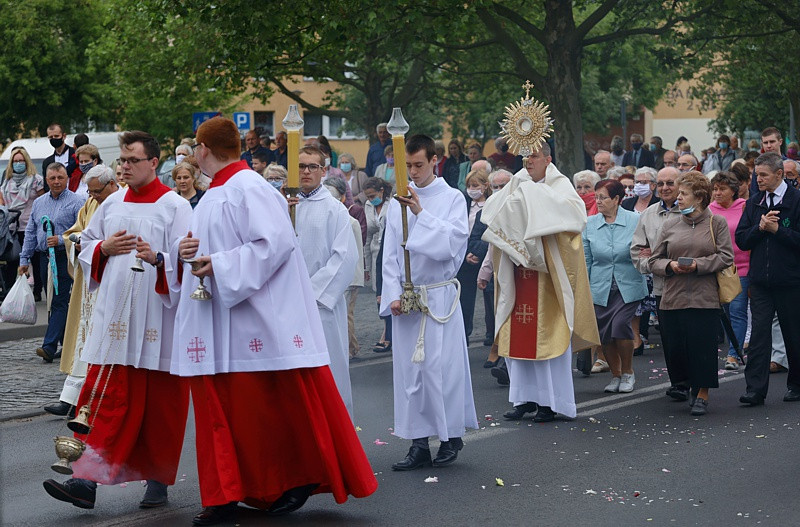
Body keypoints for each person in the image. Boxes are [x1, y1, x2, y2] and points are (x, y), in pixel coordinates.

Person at [171, 117, 376, 525]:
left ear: (204, 148)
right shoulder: (216, 192)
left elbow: (276, 243)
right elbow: (215, 246)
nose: (193, 156)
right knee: (226, 411)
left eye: (195, 148)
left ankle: (264, 487)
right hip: (219, 321)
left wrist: (222, 264)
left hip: (251, 322)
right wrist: (187, 250)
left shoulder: (248, 187)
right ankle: (227, 493)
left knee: (260, 411)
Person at [42, 131, 193, 511]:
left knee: (160, 409)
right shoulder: (111, 205)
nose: (124, 167)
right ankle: (85, 480)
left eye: (132, 160)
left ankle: (157, 481)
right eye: (122, 160)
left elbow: (190, 261)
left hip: (158, 323)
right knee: (104, 399)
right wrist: (102, 250)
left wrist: (160, 259)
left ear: (154, 162)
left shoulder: (175, 206)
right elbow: (87, 243)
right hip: (115, 324)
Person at [380, 134, 478, 470]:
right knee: (412, 375)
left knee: (440, 371)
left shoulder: (452, 198)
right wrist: (393, 294)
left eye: (418, 165)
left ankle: (450, 437)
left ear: (434, 160)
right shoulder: (397, 201)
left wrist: (420, 214)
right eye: (406, 166)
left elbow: (452, 246)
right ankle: (418, 444)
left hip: (438, 297)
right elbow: (391, 252)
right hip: (409, 300)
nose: (412, 172)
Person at [481, 144, 599, 422]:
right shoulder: (516, 182)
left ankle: (550, 402)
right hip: (518, 275)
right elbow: (494, 213)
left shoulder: (561, 186)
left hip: (547, 279)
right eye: (525, 156)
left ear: (548, 159)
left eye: (533, 156)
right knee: (517, 341)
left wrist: (535, 198)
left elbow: (575, 219)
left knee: (549, 340)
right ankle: (524, 399)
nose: (528, 161)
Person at [650, 171, 734, 415]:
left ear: (699, 197)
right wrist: (670, 266)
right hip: (673, 296)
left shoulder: (715, 223)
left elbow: (726, 256)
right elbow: (654, 260)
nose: (678, 198)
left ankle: (702, 394)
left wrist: (699, 265)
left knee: (702, 347)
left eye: (684, 194)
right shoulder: (670, 224)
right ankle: (685, 384)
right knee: (676, 348)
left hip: (704, 296)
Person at [43, 165, 120, 418]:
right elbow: (75, 232)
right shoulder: (89, 204)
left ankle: (88, 398)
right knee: (81, 339)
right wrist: (75, 241)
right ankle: (71, 398)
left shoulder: (121, 203)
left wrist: (89, 243)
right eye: (90, 190)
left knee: (98, 340)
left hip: (108, 280)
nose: (93, 195)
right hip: (88, 278)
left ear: (111, 184)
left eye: (97, 190)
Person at [288, 146, 358, 416]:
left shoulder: (335, 211)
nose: (306, 171)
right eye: (301, 166)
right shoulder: (286, 207)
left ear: (323, 171)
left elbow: (344, 259)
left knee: (329, 371)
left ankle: (336, 437)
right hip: (289, 304)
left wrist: (310, 292)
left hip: (321, 305)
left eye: (312, 167)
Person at [735, 152, 800, 406]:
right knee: (760, 336)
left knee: (793, 334)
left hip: (791, 280)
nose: (758, 179)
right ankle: (755, 389)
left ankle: (795, 384)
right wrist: (759, 228)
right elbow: (742, 239)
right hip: (761, 281)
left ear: (780, 174)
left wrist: (778, 231)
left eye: (763, 175)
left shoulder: (796, 200)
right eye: (756, 175)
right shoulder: (754, 203)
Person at [583, 179, 647, 393]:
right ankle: (615, 375)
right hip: (600, 286)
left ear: (617, 199)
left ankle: (628, 372)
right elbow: (587, 259)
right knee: (604, 334)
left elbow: (645, 248)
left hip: (627, 284)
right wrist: (584, 290)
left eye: (603, 197)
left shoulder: (635, 220)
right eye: (597, 197)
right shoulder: (590, 223)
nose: (598, 201)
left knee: (619, 325)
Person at [630, 166, 688, 399]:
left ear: (680, 185)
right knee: (671, 339)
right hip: (663, 287)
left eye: (670, 183)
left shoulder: (690, 211)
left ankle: (697, 383)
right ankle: (679, 384)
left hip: (692, 285)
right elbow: (637, 251)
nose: (665, 188)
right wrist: (652, 265)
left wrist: (655, 255)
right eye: (660, 183)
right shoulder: (649, 214)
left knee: (690, 337)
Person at [19, 164, 83, 362]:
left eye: (60, 178)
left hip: (65, 258)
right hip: (44, 258)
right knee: (53, 302)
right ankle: (65, 344)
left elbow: (82, 232)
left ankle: (48, 345)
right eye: (53, 178)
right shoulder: (39, 203)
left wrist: (61, 239)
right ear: (46, 180)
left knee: (59, 300)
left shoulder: (77, 201)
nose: (56, 182)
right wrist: (24, 259)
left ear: (67, 179)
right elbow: (30, 232)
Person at [708, 172, 749, 370]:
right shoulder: (709, 210)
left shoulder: (743, 206)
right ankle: (735, 346)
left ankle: (734, 354)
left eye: (722, 189)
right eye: (715, 189)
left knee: (737, 311)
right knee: (724, 312)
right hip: (718, 268)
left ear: (733, 190)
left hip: (742, 267)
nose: (717, 192)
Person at [324, 177, 366, 359]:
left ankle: (350, 348)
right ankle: (352, 346)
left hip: (350, 278)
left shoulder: (350, 221)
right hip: (340, 276)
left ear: (341, 197)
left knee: (346, 314)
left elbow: (354, 252)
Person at [0, 147, 45, 297]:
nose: (18, 163)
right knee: (12, 260)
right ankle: (10, 292)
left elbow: (42, 201)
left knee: (35, 260)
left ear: (26, 162)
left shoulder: (36, 180)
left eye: (21, 161)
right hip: (11, 227)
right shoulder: (6, 181)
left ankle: (37, 290)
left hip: (30, 226)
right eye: (15, 161)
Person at [457, 169, 492, 344]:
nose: (471, 189)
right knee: (465, 299)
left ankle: (491, 334)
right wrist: (465, 255)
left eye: (475, 185)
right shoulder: (463, 205)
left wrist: (478, 252)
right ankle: (464, 333)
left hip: (485, 254)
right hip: (465, 256)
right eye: (469, 185)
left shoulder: (491, 205)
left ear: (485, 186)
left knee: (489, 296)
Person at [363, 177, 393, 353]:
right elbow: (367, 235)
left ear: (381, 191)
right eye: (367, 196)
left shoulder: (393, 203)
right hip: (376, 253)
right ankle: (386, 330)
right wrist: (366, 265)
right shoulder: (369, 206)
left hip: (391, 251)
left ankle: (387, 335)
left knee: (390, 293)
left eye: (372, 195)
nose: (370, 199)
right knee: (379, 295)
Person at [42, 123, 77, 192]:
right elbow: (46, 186)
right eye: (51, 137)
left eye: (56, 136)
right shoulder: (47, 162)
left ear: (64, 136)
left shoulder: (76, 154)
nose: (54, 139)